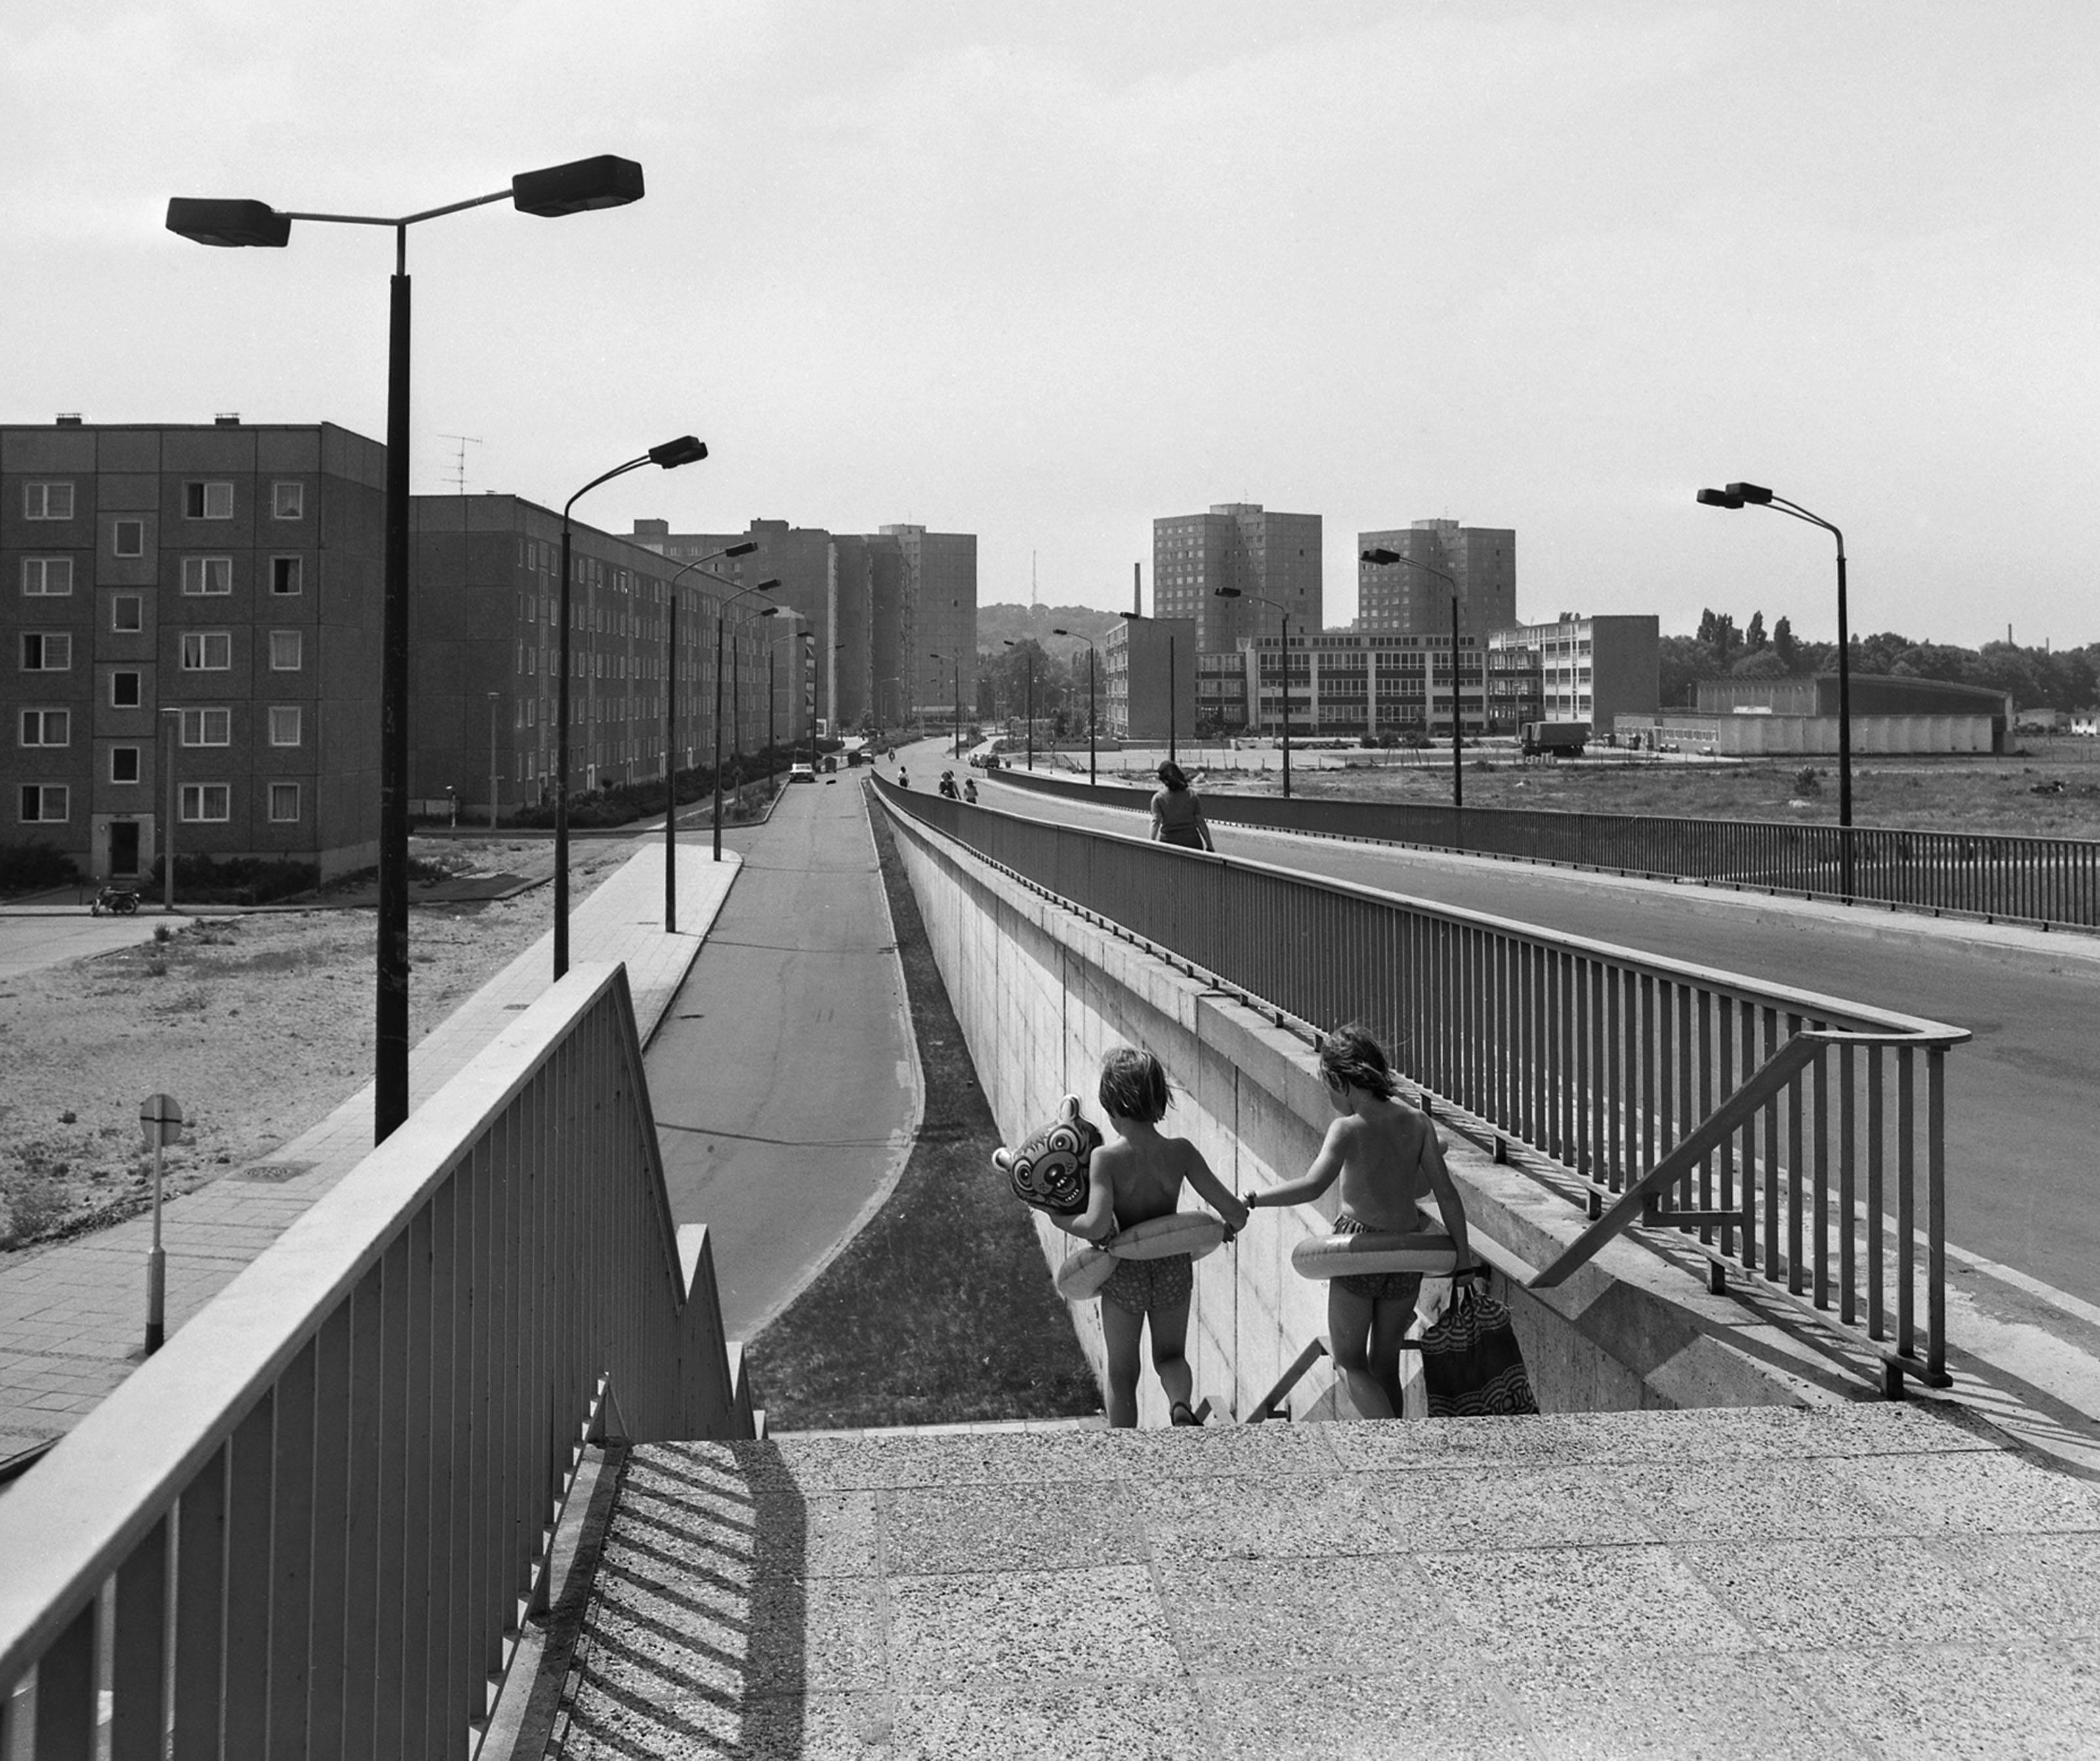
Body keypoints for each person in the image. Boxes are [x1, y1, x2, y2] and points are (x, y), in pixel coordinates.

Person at [1242, 1025, 1476, 1420]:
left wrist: (1253, 1199)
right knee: (1384, 1361)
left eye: (1327, 1086)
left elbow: (1313, 1186)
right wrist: (1463, 1261)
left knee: (1349, 1361)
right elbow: (1447, 1196)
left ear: (1340, 1080)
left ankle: (1392, 1442)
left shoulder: (1347, 1128)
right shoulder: (1418, 1122)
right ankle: (1399, 1441)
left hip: (1358, 1250)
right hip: (1405, 1251)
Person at [1059, 1047, 1249, 1428]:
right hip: (1172, 1267)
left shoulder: (1106, 1159)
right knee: (1171, 1356)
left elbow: (1096, 1227)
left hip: (1124, 1270)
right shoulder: (1180, 1152)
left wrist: (1060, 1219)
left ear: (1110, 1104)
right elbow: (1235, 1213)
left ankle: (1126, 1448)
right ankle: (1180, 1405)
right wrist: (1223, 1228)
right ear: (1160, 1098)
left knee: (1123, 1373)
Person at [1149, 760, 1213, 851]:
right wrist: (1209, 845)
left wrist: (1151, 843)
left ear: (1162, 779)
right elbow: (1200, 822)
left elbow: (1156, 822)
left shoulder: (1159, 798)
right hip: (1192, 843)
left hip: (1169, 843)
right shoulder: (1192, 795)